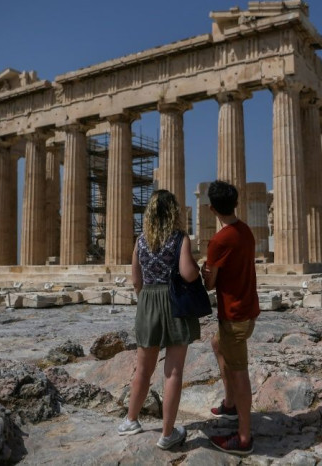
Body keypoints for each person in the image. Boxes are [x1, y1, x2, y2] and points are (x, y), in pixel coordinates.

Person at [117, 189, 201, 450]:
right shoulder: (179, 239)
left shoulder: (140, 241)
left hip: (148, 302)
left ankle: (131, 420)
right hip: (174, 302)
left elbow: (135, 280)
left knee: (143, 369)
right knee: (173, 371)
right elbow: (187, 274)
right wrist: (198, 269)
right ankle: (167, 434)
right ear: (173, 213)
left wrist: (146, 300)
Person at [200, 180, 260, 456]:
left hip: (234, 314)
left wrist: (205, 272)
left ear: (211, 208)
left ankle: (244, 437)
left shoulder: (219, 240)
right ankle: (229, 403)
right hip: (248, 310)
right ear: (236, 203)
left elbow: (210, 284)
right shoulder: (246, 232)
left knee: (240, 373)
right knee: (216, 343)